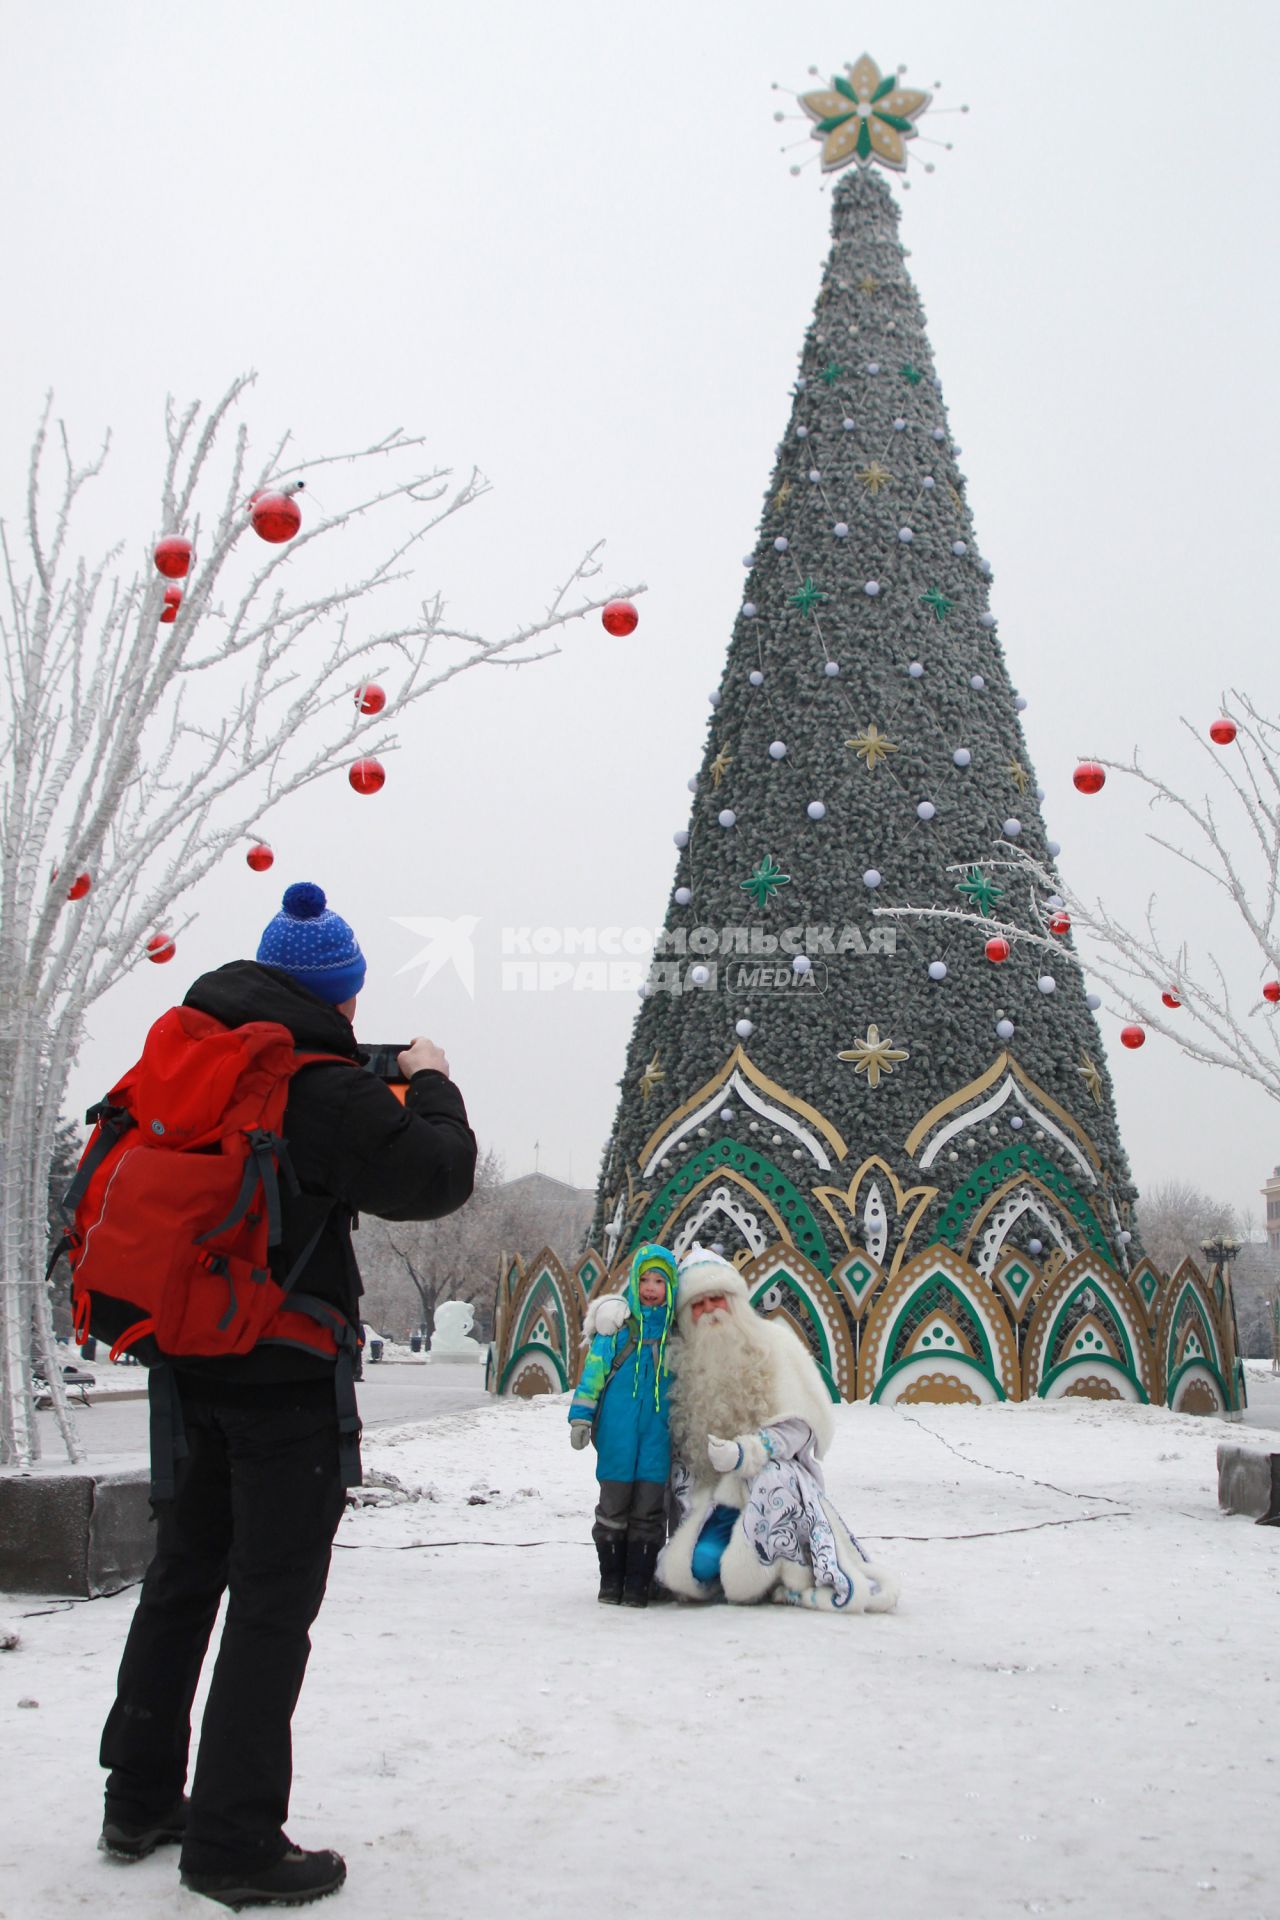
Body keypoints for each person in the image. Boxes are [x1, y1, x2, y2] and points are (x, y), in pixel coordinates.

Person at [98, 881, 476, 1908]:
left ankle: (138, 1799)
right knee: (271, 1603)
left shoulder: (193, 1052)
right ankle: (232, 1841)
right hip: (283, 1380)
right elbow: (437, 1175)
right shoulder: (321, 1090)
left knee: (183, 1577)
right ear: (343, 998)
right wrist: (430, 1078)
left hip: (186, 1363)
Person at [655, 1245, 899, 1614]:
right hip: (714, 1499)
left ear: (734, 1300)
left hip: (772, 1486)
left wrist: (749, 1452)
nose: (709, 1312)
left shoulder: (773, 1343)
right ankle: (745, 1564)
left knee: (774, 1478)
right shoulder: (683, 1362)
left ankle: (790, 1570)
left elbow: (802, 1424)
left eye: (716, 1299)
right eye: (698, 1305)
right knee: (698, 1568)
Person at [568, 1242, 678, 1607]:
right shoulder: (617, 1327)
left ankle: (638, 1585)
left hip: (656, 1438)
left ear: (671, 1286)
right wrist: (581, 1417)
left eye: (659, 1281)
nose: (650, 1288)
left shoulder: (676, 1335)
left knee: (649, 1510)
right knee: (612, 1508)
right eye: (644, 1279)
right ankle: (610, 1581)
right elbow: (594, 1373)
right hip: (617, 1435)